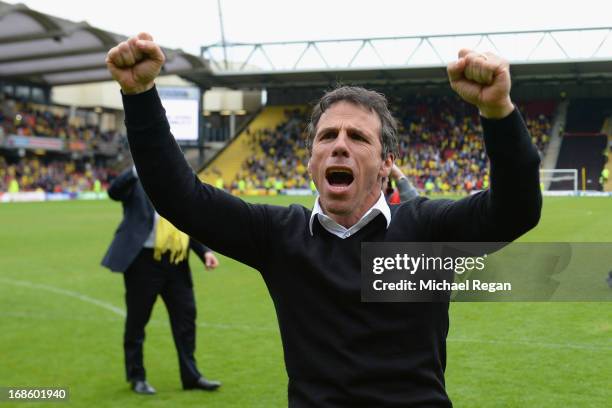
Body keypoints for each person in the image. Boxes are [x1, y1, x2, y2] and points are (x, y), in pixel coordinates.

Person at [106, 33, 541, 407]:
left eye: (358, 137)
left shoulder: (427, 231)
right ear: (311, 162)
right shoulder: (277, 236)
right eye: (327, 136)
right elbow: (180, 198)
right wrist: (140, 96)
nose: (339, 145)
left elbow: (515, 210)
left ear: (387, 163)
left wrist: (498, 112)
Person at [101, 166, 221, 395]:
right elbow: (113, 192)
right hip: (143, 262)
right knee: (137, 321)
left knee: (186, 318)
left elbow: (188, 222)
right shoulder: (136, 181)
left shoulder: (177, 184)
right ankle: (137, 377)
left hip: (176, 261)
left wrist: (204, 251)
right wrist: (136, 170)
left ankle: (191, 376)